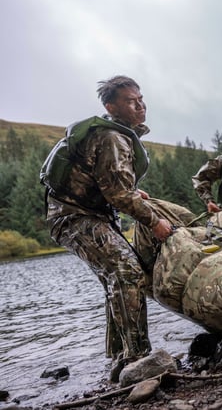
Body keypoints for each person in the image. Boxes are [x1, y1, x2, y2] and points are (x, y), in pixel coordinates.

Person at [42, 75, 173, 381]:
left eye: (141, 98)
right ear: (111, 106)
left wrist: (131, 192)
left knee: (115, 277)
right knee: (126, 271)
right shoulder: (113, 137)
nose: (140, 105)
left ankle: (118, 357)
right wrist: (155, 222)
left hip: (88, 214)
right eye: (131, 100)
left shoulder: (116, 133)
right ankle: (138, 360)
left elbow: (108, 182)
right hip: (73, 216)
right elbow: (117, 194)